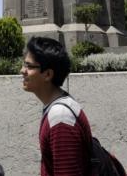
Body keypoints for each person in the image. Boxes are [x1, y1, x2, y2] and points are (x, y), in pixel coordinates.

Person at [21, 36, 93, 176]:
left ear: (47, 74)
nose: (22, 70)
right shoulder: (58, 107)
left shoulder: (60, 118)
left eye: (29, 66)